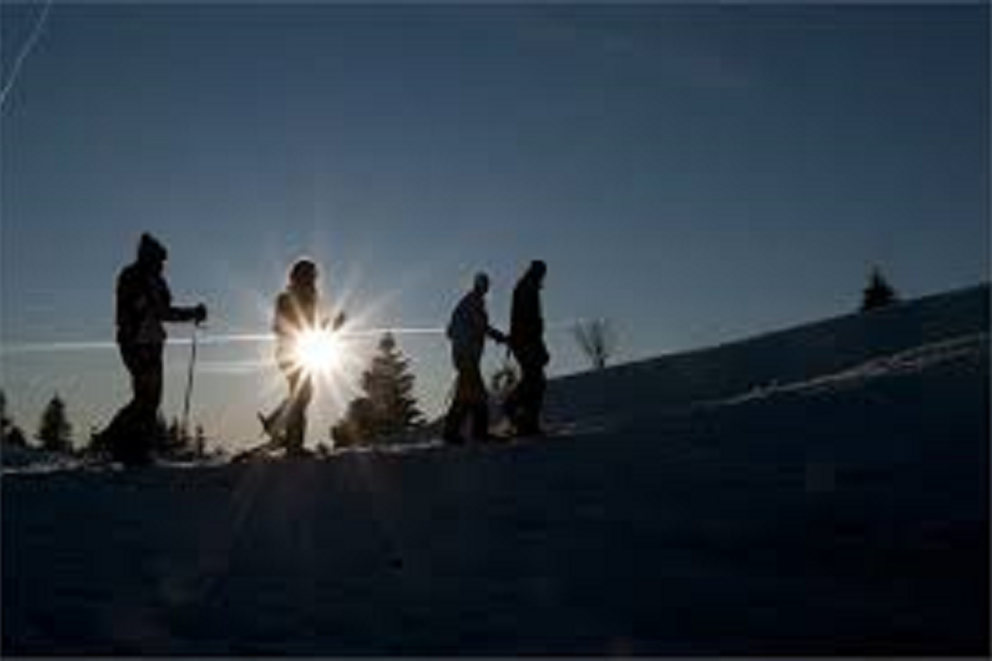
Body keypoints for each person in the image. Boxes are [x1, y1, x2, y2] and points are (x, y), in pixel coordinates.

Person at [102, 233, 207, 465]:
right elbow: (157, 311)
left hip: (152, 342)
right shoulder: (132, 277)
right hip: (135, 342)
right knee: (145, 397)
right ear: (147, 257)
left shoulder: (156, 281)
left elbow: (164, 310)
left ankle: (129, 446)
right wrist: (190, 313)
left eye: (162, 261)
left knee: (150, 399)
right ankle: (118, 442)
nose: (162, 265)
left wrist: (190, 313)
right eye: (159, 260)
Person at [258, 258, 345, 456]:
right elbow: (283, 325)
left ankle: (289, 438)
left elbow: (314, 326)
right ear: (301, 278)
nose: (313, 281)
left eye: (313, 277)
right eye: (311, 277)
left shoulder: (308, 298)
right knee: (302, 394)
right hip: (290, 353)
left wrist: (333, 324)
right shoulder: (288, 298)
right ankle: (288, 439)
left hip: (301, 352)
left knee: (302, 395)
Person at [443, 272, 507, 443]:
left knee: (468, 395)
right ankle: (475, 433)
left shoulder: (470, 302)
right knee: (474, 395)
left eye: (486, 285)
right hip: (467, 358)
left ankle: (458, 432)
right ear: (479, 285)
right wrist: (499, 337)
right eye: (484, 285)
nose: (486, 288)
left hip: (465, 357)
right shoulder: (473, 302)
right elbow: (480, 326)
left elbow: (454, 330)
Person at [504, 260, 549, 436]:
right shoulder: (526, 288)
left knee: (535, 380)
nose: (543, 276)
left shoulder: (528, 287)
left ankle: (527, 420)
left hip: (526, 341)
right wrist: (536, 344)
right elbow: (527, 321)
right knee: (535, 379)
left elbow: (533, 322)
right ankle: (514, 411)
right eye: (541, 272)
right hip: (524, 342)